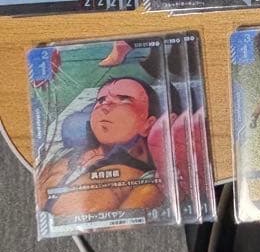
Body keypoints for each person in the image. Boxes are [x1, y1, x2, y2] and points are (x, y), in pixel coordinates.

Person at [36, 76, 165, 217]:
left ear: (148, 125)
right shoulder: (64, 154)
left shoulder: (146, 180)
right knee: (73, 125)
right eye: (101, 100)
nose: (105, 106)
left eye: (124, 100)